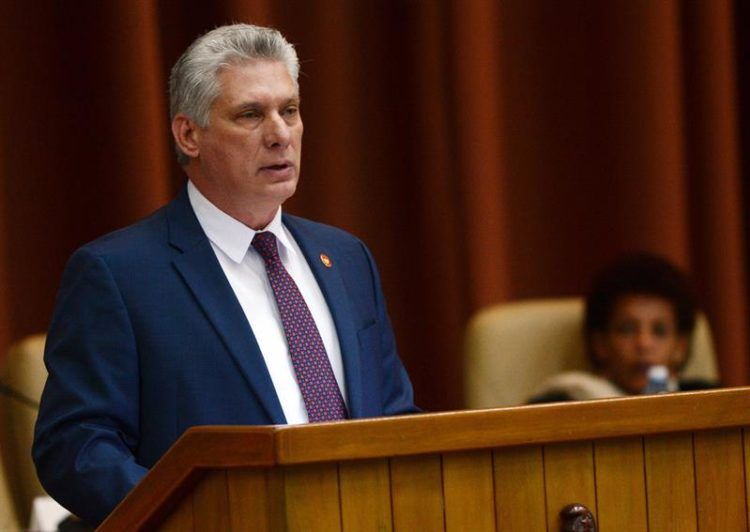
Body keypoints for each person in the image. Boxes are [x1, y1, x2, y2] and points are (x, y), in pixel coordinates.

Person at [33, 23, 417, 526]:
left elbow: (394, 420)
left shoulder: (346, 258)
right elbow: (76, 447)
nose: (280, 134)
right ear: (189, 134)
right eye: (251, 115)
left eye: (290, 111)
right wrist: (194, 518)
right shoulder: (119, 274)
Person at [528, 253, 718, 403]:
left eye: (659, 331)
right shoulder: (560, 403)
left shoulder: (710, 400)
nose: (643, 344)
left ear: (680, 347)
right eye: (627, 329)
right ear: (600, 344)